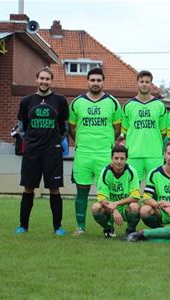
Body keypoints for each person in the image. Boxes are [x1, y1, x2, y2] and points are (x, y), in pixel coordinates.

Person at [14, 67, 68, 235]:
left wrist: (54, 141)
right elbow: (22, 127)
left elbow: (64, 127)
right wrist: (30, 141)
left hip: (52, 151)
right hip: (32, 152)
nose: (44, 82)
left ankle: (58, 227)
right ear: (36, 80)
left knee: (54, 188)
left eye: (47, 79)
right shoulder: (26, 101)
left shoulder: (60, 100)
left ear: (51, 81)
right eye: (41, 78)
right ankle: (23, 226)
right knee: (28, 187)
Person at [69, 68, 122, 235]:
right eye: (92, 80)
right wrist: (82, 143)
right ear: (87, 81)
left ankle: (108, 227)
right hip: (83, 154)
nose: (95, 83)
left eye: (99, 80)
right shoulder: (77, 103)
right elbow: (71, 127)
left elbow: (117, 129)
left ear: (103, 82)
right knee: (81, 190)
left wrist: (106, 144)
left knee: (106, 193)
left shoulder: (113, 102)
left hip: (104, 154)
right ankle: (80, 227)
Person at [121, 70, 166, 182]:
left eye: (147, 82)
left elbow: (163, 132)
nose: (144, 84)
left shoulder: (160, 105)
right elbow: (125, 132)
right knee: (133, 188)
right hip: (134, 154)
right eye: (142, 81)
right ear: (137, 83)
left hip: (154, 154)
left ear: (151, 84)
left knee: (156, 187)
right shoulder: (128, 106)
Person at [92, 145, 141, 238]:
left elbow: (135, 196)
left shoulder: (131, 171)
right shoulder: (105, 172)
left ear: (126, 159)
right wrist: (114, 210)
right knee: (96, 207)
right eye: (116, 158)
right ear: (111, 158)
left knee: (135, 206)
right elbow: (102, 198)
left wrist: (116, 203)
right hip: (109, 207)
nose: (119, 161)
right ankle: (108, 228)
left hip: (125, 207)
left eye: (122, 158)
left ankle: (130, 231)